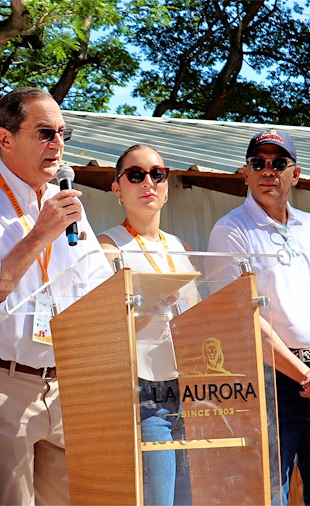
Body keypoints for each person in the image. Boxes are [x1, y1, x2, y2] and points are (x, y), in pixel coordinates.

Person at [0, 87, 113, 504]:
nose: (58, 144)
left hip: (64, 381)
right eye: (45, 133)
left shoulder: (67, 206)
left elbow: (97, 289)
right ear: (5, 138)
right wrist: (38, 236)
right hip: (1, 379)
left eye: (63, 133)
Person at [206, 129, 310, 505]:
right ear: (245, 173)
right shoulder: (230, 230)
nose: (268, 170)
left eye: (279, 163)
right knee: (269, 495)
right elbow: (243, 320)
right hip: (272, 379)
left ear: (296, 173)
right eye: (258, 162)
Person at [97, 144, 197, 506]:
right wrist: (153, 308)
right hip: (144, 394)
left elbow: (198, 319)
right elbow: (103, 332)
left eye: (158, 174)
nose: (148, 182)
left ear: (167, 186)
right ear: (117, 189)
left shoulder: (181, 247)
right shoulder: (108, 247)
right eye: (136, 175)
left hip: (192, 391)